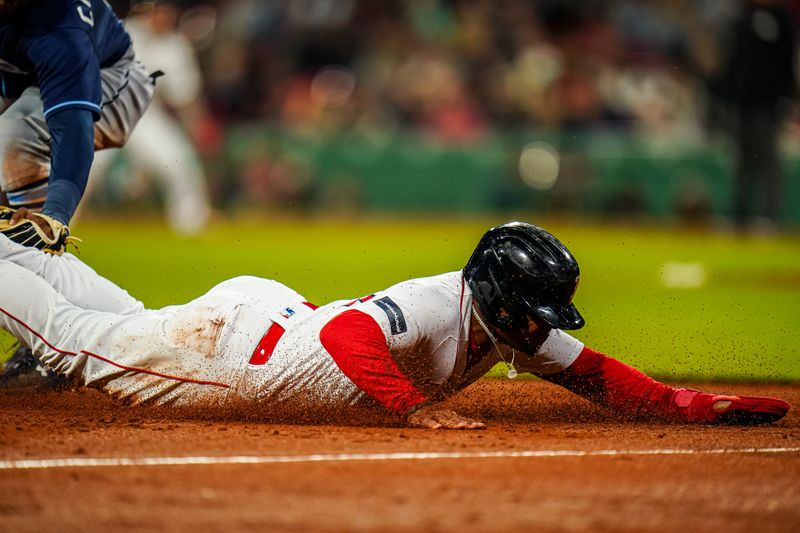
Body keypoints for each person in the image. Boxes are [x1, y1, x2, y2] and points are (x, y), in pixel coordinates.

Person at [0, 222, 790, 428]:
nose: (544, 329)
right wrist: (419, 408)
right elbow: (352, 340)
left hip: (271, 316)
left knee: (117, 323)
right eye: (538, 312)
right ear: (504, 298)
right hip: (240, 355)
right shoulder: (443, 302)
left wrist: (695, 403)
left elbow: (598, 376)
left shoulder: (504, 320)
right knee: (74, 342)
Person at [0, 0, 158, 250]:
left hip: (113, 79)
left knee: (13, 132)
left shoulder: (61, 30)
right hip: (25, 79)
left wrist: (55, 214)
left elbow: (72, 128)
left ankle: (34, 246)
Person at [88, 0, 213, 235]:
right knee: (82, 167)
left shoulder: (175, 46)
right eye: (159, 10)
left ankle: (191, 220)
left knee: (178, 160)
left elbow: (185, 96)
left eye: (169, 12)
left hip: (146, 115)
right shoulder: (124, 31)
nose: (163, 15)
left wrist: (196, 126)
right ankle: (57, 220)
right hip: (107, 111)